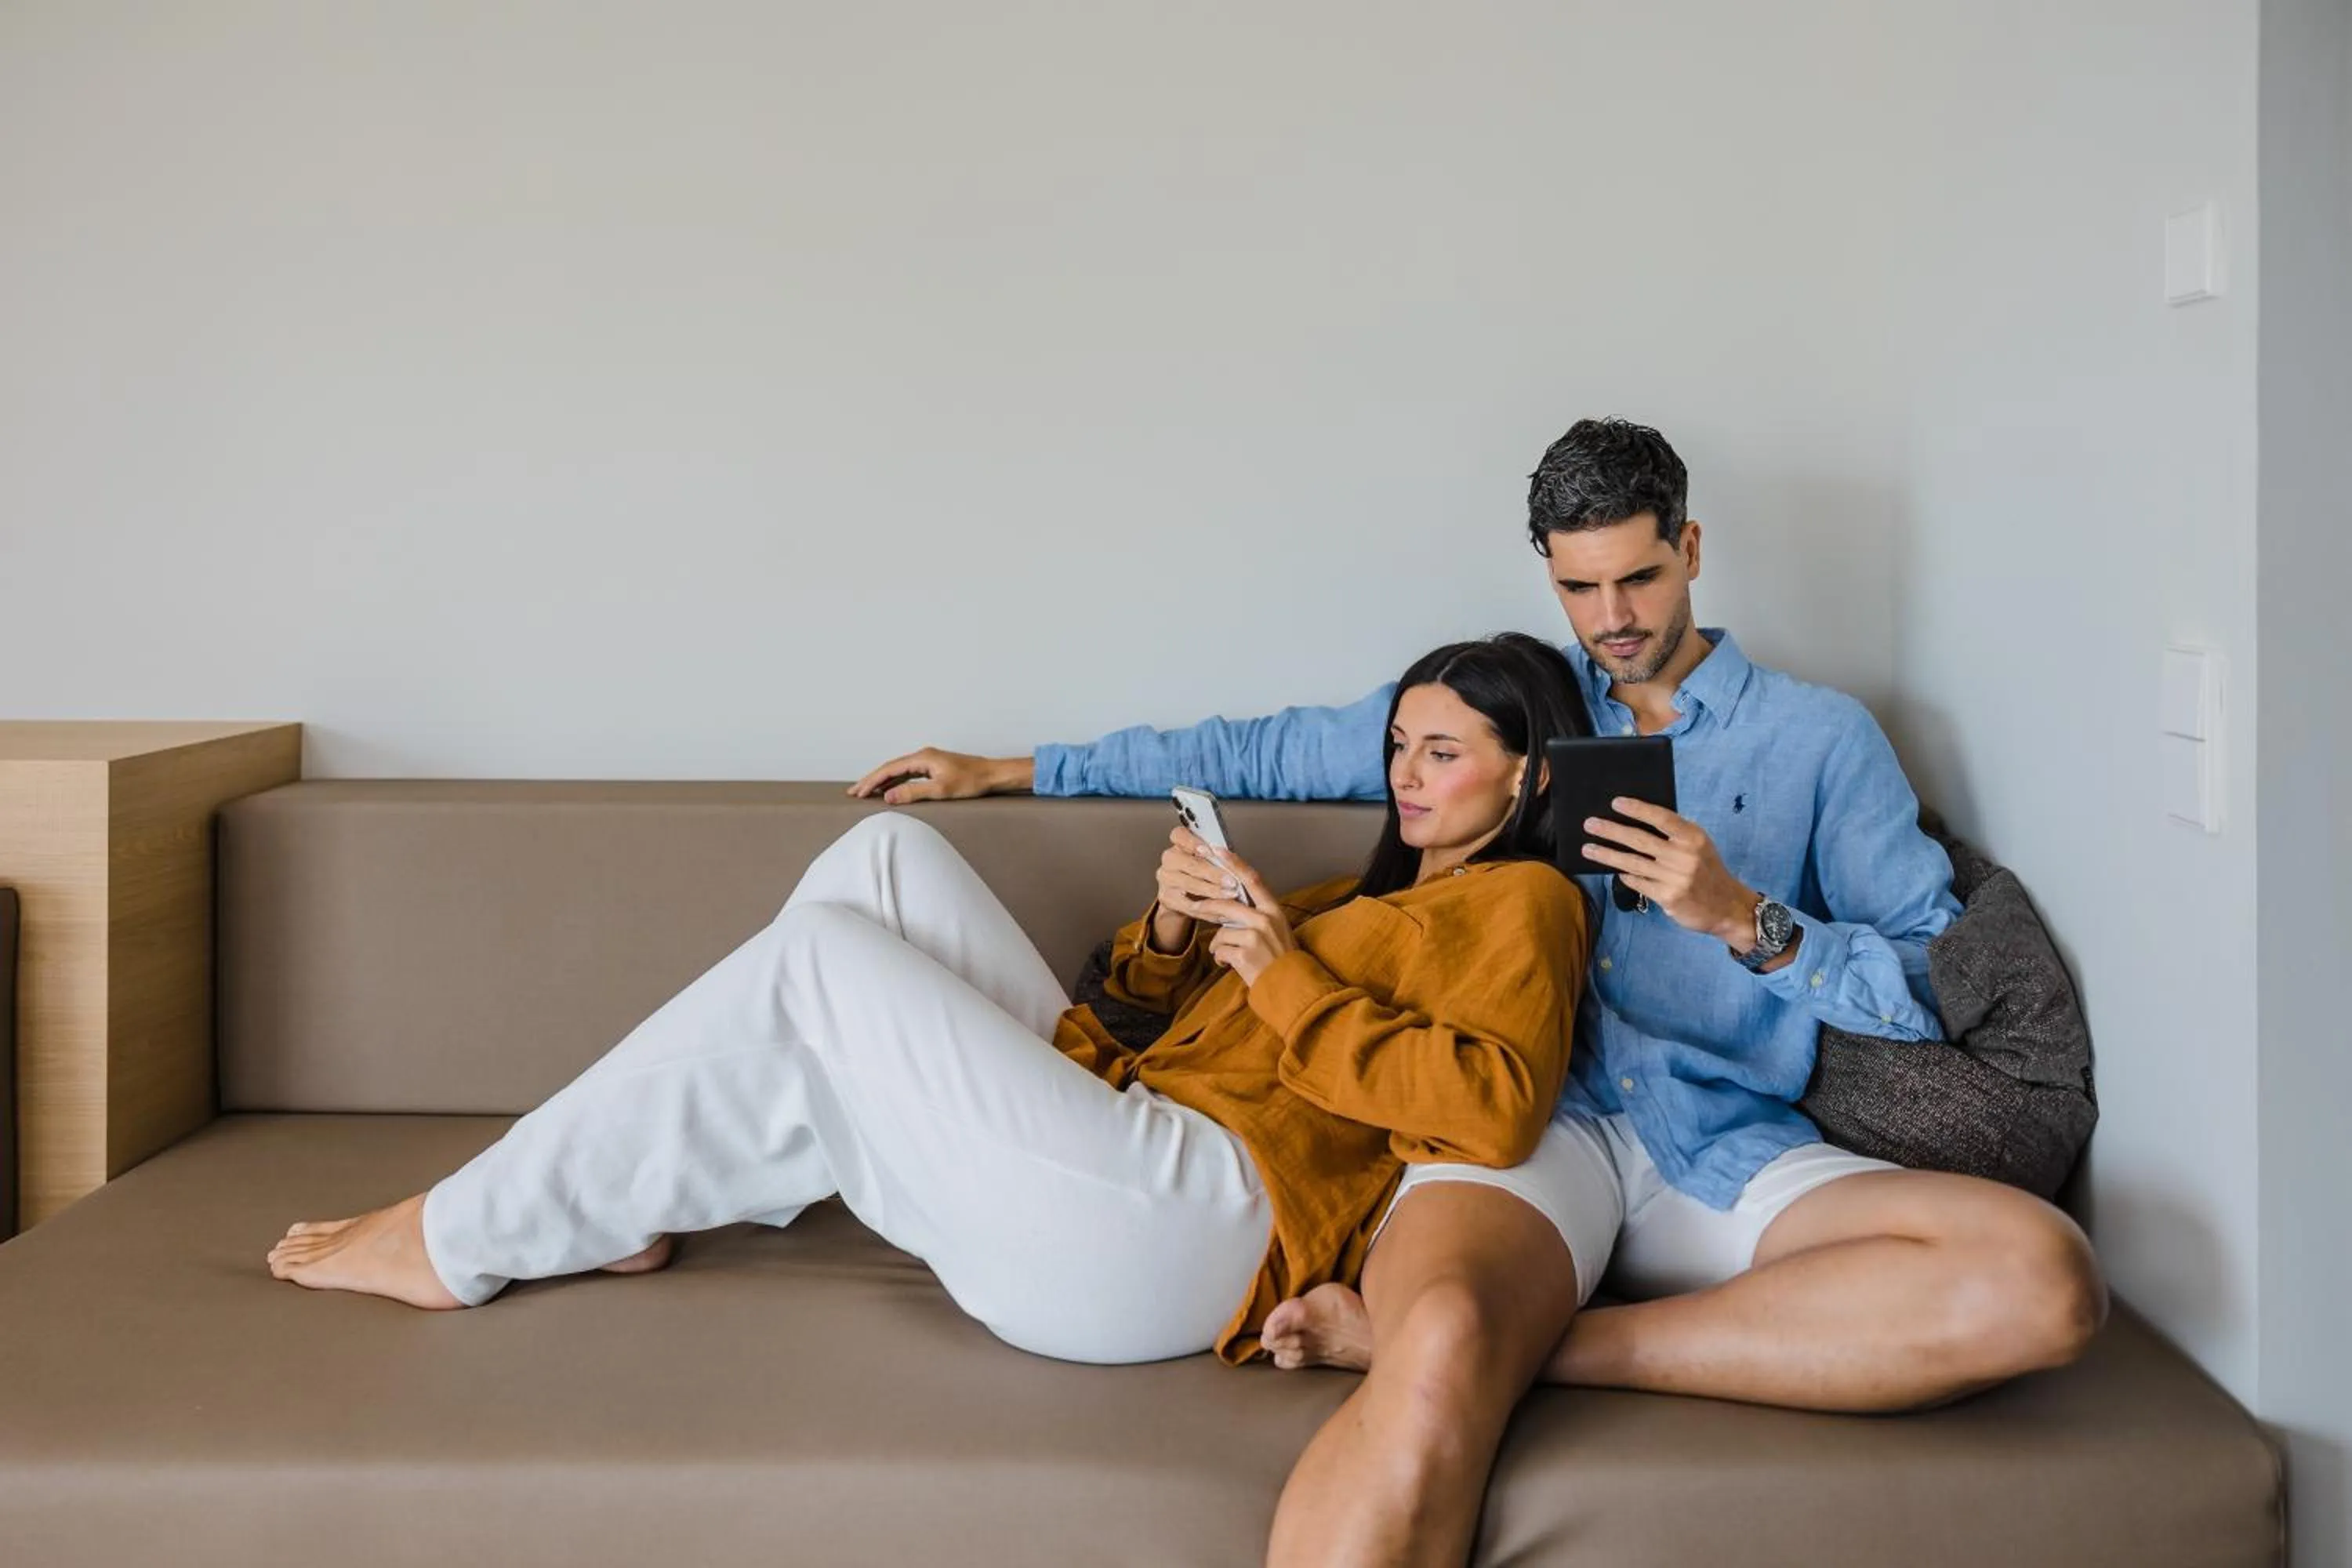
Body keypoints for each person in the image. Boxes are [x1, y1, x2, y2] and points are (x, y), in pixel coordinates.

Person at [852, 419, 2108, 1568]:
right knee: (1447, 1336)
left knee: (2042, 1281)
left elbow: (1934, 989)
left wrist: (1749, 922)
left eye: (1640, 577)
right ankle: (1469, 1340)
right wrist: (1010, 766)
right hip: (1514, 1130)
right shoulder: (1517, 708)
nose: (1611, 616)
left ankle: (1562, 1352)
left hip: (1714, 1141)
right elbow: (1253, 746)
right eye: (1578, 585)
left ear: (1692, 550)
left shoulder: (1820, 739)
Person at [267, 635, 1593, 1385]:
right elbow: (1096, 1048)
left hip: (1199, 1234)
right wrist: (1180, 934)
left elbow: (1492, 1109)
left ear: (1527, 775)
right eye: (1399, 747)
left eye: (1444, 753)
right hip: (1128, 1149)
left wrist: (1281, 974)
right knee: (879, 868)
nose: (1407, 778)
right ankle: (629, 1190)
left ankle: (461, 1232)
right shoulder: (1336, 897)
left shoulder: (1525, 907)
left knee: (820, 964)